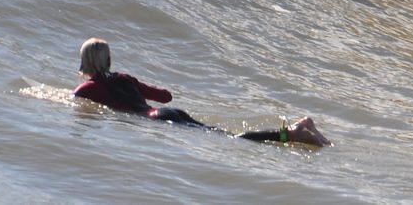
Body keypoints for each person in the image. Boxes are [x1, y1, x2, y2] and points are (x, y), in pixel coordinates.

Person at [73, 37, 330, 146]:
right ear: (109, 60)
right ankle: (303, 126)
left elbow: (83, 105)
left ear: (85, 63)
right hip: (168, 112)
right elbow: (165, 97)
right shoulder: (124, 78)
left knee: (233, 139)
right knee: (225, 134)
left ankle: (293, 133)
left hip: (160, 120)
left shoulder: (86, 90)